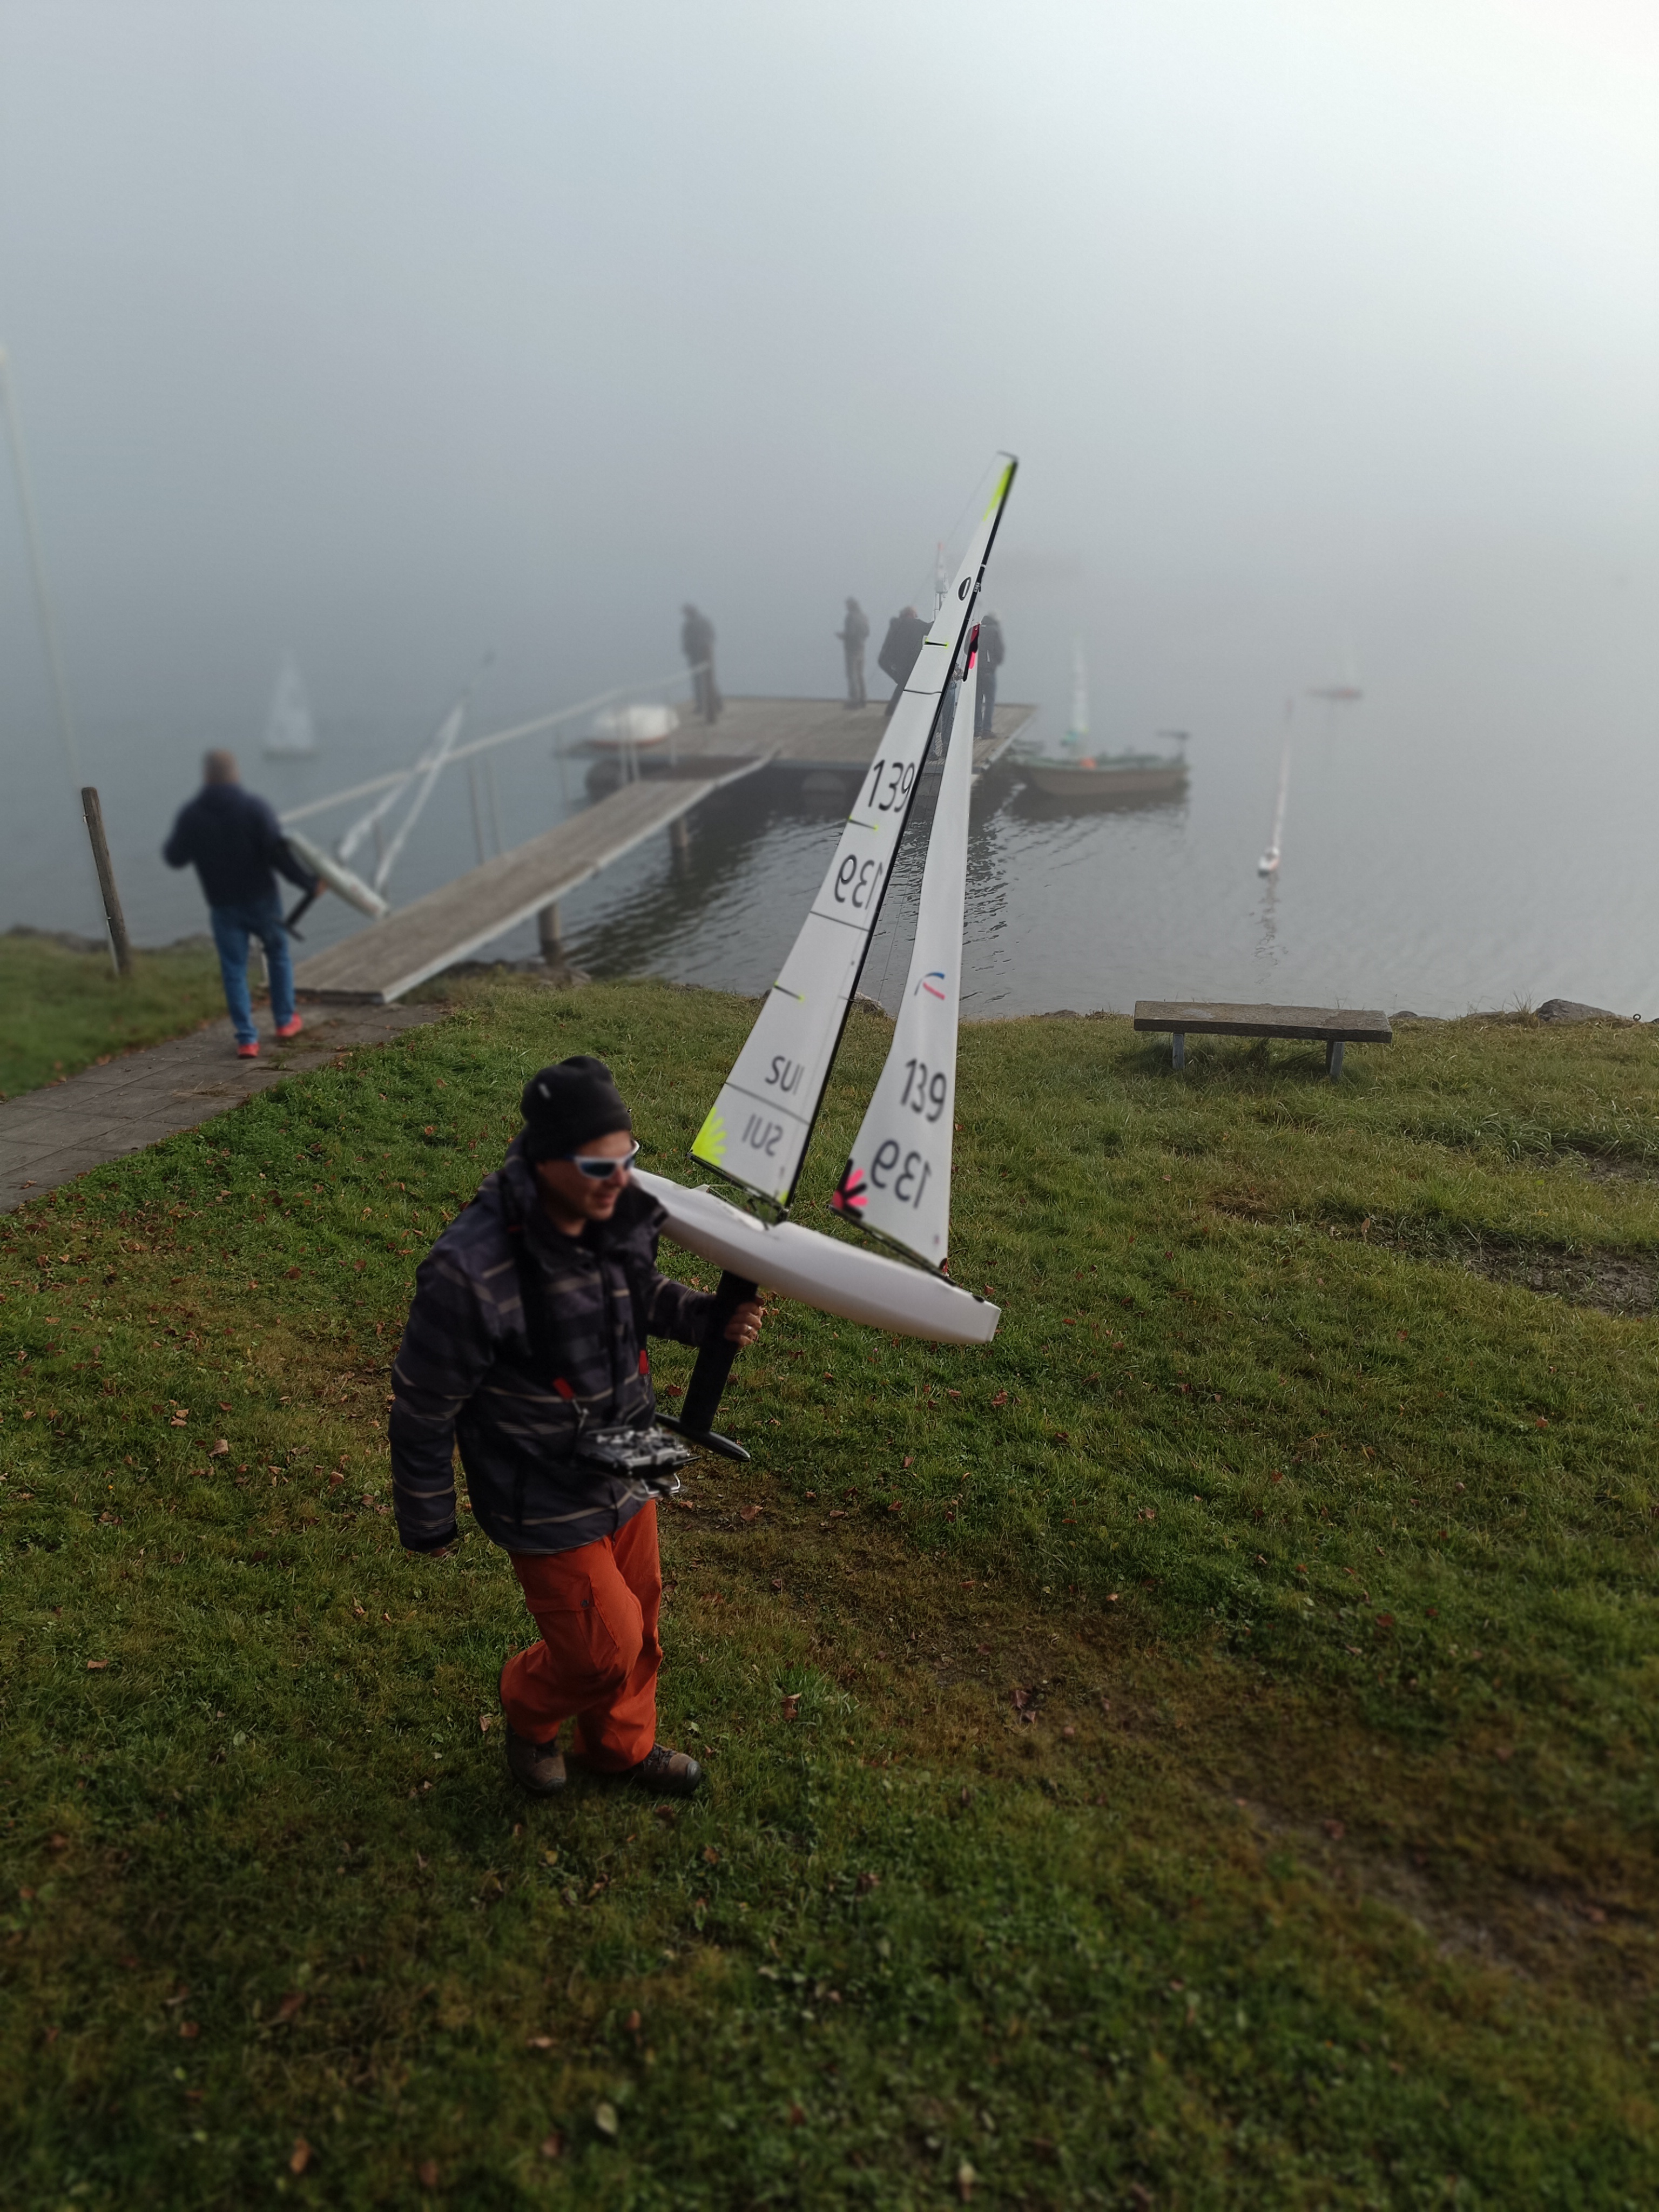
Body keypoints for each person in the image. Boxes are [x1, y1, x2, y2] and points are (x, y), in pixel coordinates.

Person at [389, 1055, 765, 1801]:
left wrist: (708, 1318)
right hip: (540, 1490)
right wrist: (428, 1517)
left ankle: (621, 1748)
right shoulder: (468, 1273)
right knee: (601, 1649)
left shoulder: (611, 1209)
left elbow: (641, 1291)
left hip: (629, 1457)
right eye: (599, 1164)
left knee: (640, 1618)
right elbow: (424, 1405)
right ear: (545, 1158)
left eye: (629, 1158)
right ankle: (529, 1712)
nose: (620, 1179)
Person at [162, 749, 318, 1060]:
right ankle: (285, 1022)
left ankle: (247, 1039)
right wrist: (308, 883)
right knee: (277, 955)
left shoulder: (192, 815)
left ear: (206, 775)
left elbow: (174, 857)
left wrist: (200, 843)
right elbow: (278, 854)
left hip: (223, 905)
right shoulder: (254, 808)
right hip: (263, 900)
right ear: (235, 773)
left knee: (234, 969)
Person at [876, 605, 928, 719]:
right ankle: (896, 711)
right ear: (913, 614)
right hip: (913, 663)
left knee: (902, 685)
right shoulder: (917, 624)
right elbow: (931, 628)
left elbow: (888, 645)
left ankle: (891, 711)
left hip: (899, 663)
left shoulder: (896, 624)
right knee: (906, 686)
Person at [680, 603, 721, 724]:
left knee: (703, 681)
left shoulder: (694, 623)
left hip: (701, 656)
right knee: (705, 681)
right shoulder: (697, 622)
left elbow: (709, 637)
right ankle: (712, 704)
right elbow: (711, 636)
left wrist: (696, 648)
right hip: (697, 656)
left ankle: (708, 705)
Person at [975, 611, 1006, 740]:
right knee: (990, 701)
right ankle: (986, 730)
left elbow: (966, 649)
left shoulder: (975, 629)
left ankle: (977, 728)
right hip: (989, 671)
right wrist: (994, 663)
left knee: (977, 700)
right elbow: (1000, 651)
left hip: (976, 672)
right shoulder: (995, 631)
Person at [836, 597, 869, 707]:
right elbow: (867, 632)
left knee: (851, 674)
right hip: (861, 647)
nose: (846, 607)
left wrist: (842, 636)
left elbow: (850, 633)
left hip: (852, 649)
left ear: (851, 605)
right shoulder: (864, 616)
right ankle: (863, 698)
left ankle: (854, 700)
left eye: (847, 605)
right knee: (860, 674)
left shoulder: (850, 617)